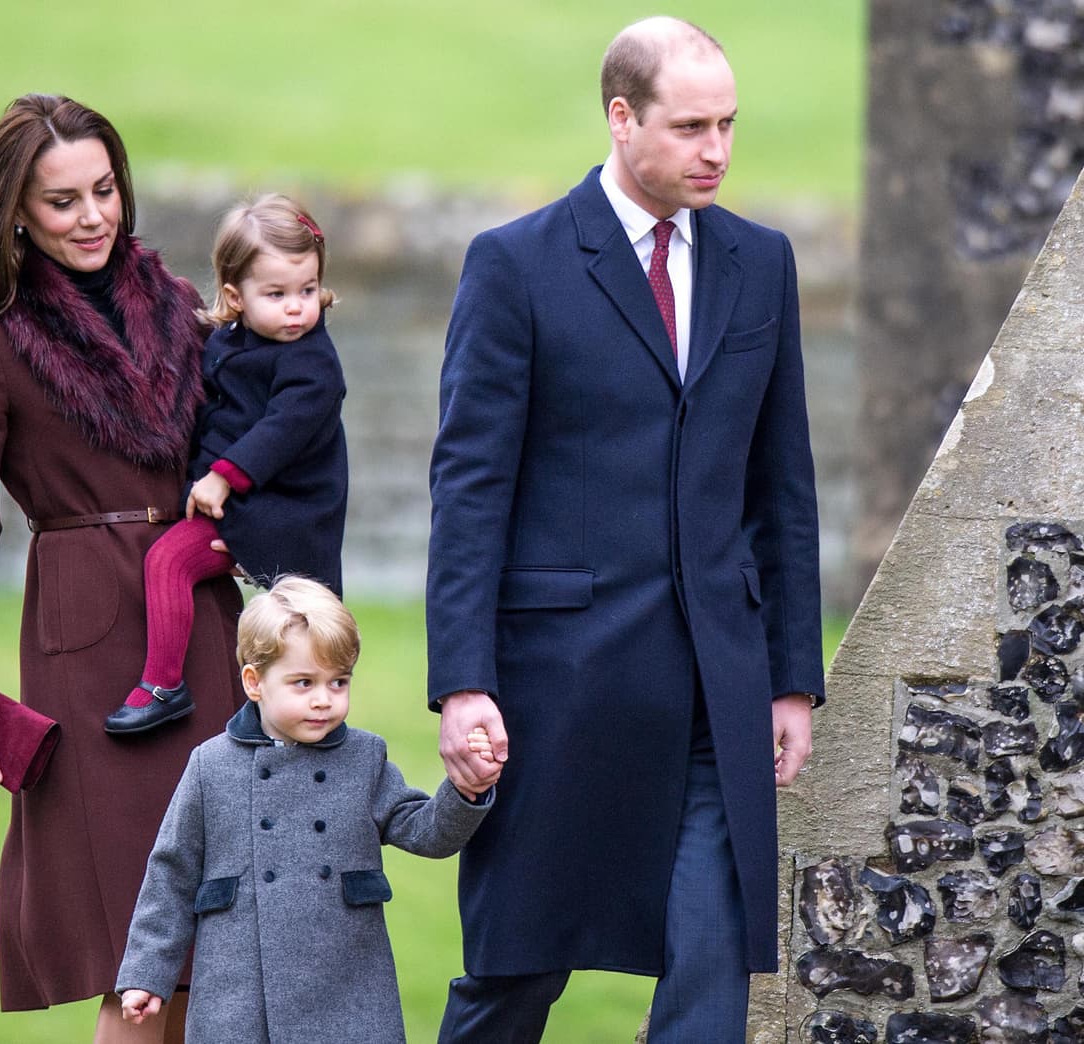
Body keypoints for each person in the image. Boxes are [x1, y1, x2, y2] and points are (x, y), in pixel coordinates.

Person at [426, 16, 825, 1042]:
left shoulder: (759, 262)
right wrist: (462, 679)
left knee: (711, 967)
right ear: (619, 118)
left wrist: (789, 676)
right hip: (559, 681)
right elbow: (469, 486)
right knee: (515, 971)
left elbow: (780, 486)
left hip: (714, 687)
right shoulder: (514, 264)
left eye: (728, 124)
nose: (717, 151)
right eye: (690, 126)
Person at [0, 93, 245, 1042]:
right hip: (92, 644)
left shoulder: (177, 304)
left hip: (204, 620)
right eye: (63, 201)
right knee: (138, 954)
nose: (93, 215)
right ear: (16, 208)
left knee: (215, 952)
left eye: (104, 190)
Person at [115, 576, 494, 1043]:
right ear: (254, 682)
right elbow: (170, 875)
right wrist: (146, 974)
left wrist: (464, 789)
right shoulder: (210, 765)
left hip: (349, 981)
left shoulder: (365, 757)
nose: (323, 699)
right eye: (303, 683)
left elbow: (425, 832)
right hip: (237, 990)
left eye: (339, 681)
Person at [105, 194, 348, 735]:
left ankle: (163, 685)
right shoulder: (227, 343)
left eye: (308, 290)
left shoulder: (314, 366)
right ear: (235, 297)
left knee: (172, 565)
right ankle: (260, 712)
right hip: (242, 508)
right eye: (277, 294)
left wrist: (221, 477)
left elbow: (279, 432)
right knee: (281, 632)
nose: (296, 307)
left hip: (284, 515)